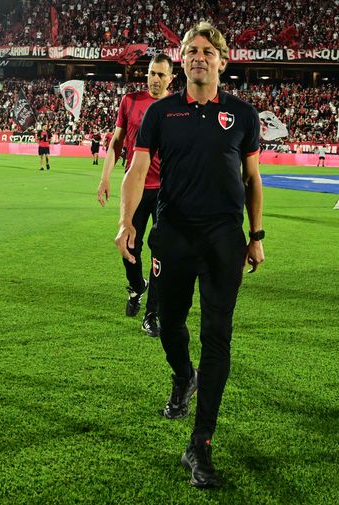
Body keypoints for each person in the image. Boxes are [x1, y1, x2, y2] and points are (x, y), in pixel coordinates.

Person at [116, 21, 264, 488]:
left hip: (224, 240)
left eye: (208, 50)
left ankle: (200, 444)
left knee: (217, 337)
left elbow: (253, 179)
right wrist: (125, 222)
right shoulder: (162, 113)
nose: (200, 56)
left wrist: (256, 235)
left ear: (223, 61)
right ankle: (184, 376)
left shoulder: (243, 114)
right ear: (182, 60)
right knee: (171, 324)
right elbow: (137, 169)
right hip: (174, 236)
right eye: (192, 50)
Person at [98, 53, 174, 337]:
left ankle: (152, 314)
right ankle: (136, 286)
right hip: (136, 188)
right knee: (129, 247)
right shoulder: (130, 101)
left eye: (161, 75)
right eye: (152, 73)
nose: (155, 79)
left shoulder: (177, 107)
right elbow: (117, 142)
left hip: (166, 191)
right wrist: (105, 177)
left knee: (161, 253)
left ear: (170, 79)